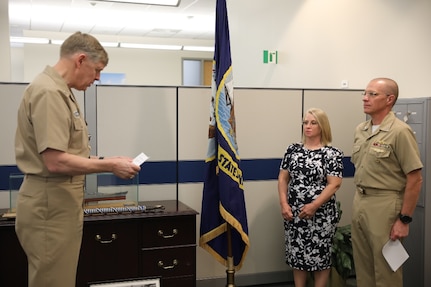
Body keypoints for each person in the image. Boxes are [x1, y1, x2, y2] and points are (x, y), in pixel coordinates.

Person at [14, 31, 141, 287]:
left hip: (59, 203)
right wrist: (109, 166)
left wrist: (109, 158)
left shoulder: (62, 92)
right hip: (50, 207)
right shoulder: (49, 92)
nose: (97, 78)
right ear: (80, 59)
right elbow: (55, 161)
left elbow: (67, 152)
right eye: (97, 69)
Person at [351, 78, 423, 287]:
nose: (365, 98)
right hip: (361, 200)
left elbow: (415, 178)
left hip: (385, 204)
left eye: (372, 94)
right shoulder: (361, 130)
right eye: (365, 93)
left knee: (386, 271)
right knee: (363, 267)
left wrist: (404, 219)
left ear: (389, 99)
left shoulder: (400, 131)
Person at [278, 108, 344, 287]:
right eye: (305, 122)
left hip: (321, 214)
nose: (308, 126)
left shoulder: (332, 153)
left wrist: (314, 205)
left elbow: (334, 184)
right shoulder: (293, 150)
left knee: (321, 256)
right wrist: (284, 204)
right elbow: (283, 178)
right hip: (294, 212)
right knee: (297, 254)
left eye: (313, 123)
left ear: (322, 126)